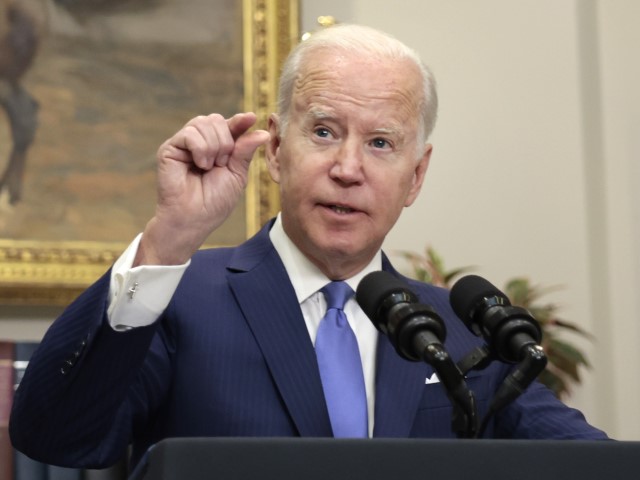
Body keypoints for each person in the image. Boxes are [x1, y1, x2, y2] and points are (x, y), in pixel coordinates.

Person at [9, 24, 607, 471]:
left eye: (380, 142)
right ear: (274, 151)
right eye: (323, 132)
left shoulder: (461, 331)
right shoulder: (182, 296)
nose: (348, 168)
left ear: (416, 176)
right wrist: (170, 238)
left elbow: (595, 465)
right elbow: (58, 436)